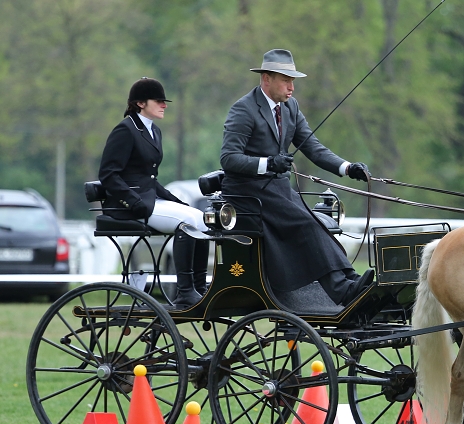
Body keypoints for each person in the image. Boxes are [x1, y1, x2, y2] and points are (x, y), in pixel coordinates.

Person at [219, 49, 374, 306]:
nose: (292, 87)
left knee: (319, 221)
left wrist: (347, 168)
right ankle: (342, 291)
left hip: (277, 192)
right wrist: (269, 163)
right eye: (286, 80)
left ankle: (350, 280)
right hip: (248, 194)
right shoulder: (243, 109)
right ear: (266, 78)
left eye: (293, 81)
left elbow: (313, 147)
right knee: (308, 224)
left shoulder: (290, 107)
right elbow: (229, 158)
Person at [98, 77, 209, 309]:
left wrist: (176, 201)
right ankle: (185, 291)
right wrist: (133, 201)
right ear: (140, 103)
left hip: (148, 199)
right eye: (158, 100)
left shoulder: (153, 131)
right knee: (188, 222)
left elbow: (150, 179)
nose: (164, 105)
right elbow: (108, 175)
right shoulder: (125, 130)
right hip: (126, 207)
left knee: (199, 218)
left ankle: (199, 287)